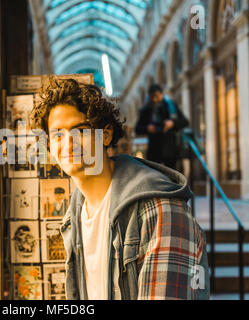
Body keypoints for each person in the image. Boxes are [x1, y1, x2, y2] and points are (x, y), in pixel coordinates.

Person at [31, 78, 209, 300]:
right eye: (57, 134)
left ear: (105, 135)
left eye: (81, 130)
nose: (68, 143)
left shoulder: (160, 211)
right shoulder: (74, 215)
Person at [135, 84, 189, 170]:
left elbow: (185, 122)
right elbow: (137, 129)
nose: (155, 99)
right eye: (152, 97)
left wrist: (172, 123)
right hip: (154, 150)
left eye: (156, 96)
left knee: (172, 177)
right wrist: (147, 128)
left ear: (161, 94)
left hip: (170, 149)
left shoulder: (170, 106)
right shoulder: (146, 110)